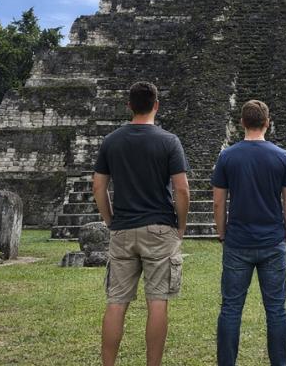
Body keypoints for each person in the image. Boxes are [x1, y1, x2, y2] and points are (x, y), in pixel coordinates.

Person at [92, 81, 190, 366]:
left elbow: (98, 187)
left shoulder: (112, 140)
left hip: (122, 228)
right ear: (156, 105)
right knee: (157, 301)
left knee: (116, 302)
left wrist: (111, 219)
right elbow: (182, 189)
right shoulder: (168, 141)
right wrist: (180, 226)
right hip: (160, 228)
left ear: (129, 106)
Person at [212, 99, 286, 366]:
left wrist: (223, 233)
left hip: (238, 240)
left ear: (242, 123)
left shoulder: (227, 156)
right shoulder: (281, 156)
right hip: (272, 239)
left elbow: (218, 202)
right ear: (267, 123)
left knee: (230, 309)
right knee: (276, 310)